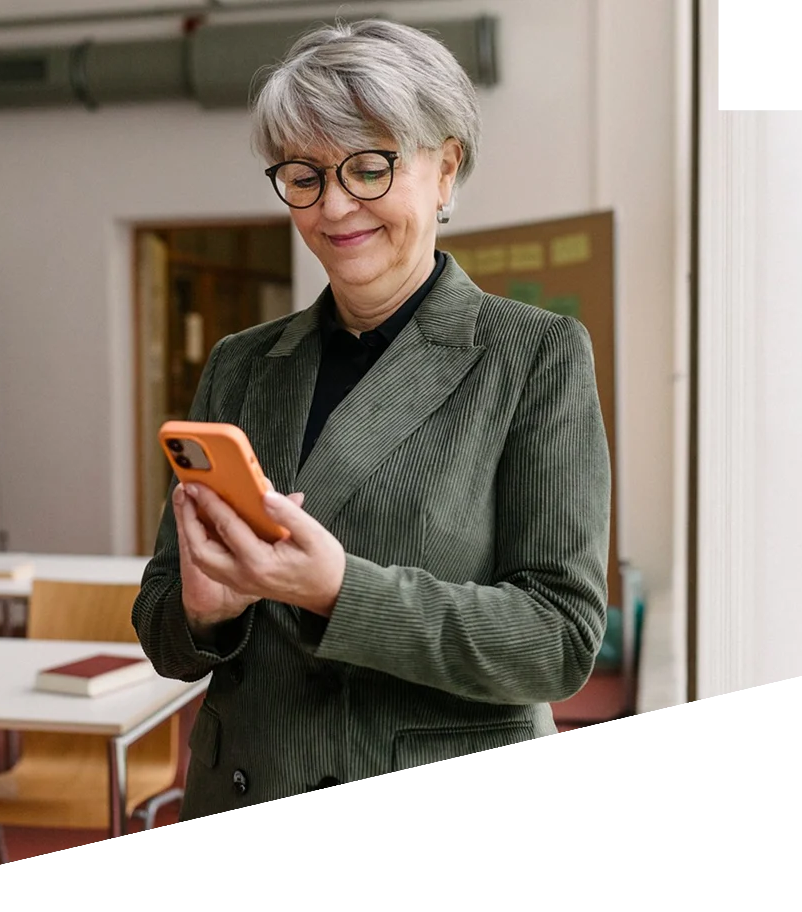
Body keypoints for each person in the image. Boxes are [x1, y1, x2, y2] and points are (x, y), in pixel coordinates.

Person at [131, 18, 611, 823]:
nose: (335, 206)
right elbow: (162, 626)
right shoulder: (241, 366)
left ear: (445, 167)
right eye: (304, 176)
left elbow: (559, 639)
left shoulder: (534, 356)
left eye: (368, 167)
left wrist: (341, 592)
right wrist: (205, 611)